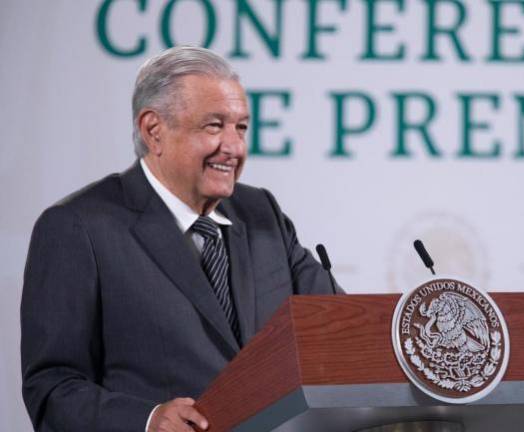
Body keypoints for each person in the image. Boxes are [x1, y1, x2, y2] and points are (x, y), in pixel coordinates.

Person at [20, 46, 338, 432]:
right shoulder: (79, 228)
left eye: (241, 127)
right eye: (214, 126)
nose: (234, 147)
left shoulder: (261, 213)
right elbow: (51, 388)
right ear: (153, 130)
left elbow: (340, 326)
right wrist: (147, 420)